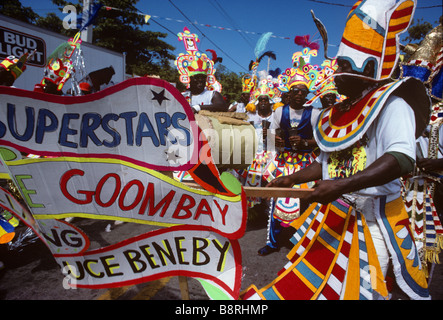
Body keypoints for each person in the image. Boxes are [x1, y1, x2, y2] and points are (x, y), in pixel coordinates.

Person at [266, 0, 431, 299]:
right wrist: (293, 179)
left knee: (365, 291)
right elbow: (327, 163)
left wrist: (341, 185)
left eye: (341, 66)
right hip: (336, 211)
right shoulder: (341, 111)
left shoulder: (394, 104)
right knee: (318, 286)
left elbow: (401, 159)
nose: (334, 73)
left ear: (367, 66)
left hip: (375, 218)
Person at [257, 66, 318, 256]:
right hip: (283, 161)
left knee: (305, 203)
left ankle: (301, 243)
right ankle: (273, 242)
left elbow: (323, 141)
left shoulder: (315, 113)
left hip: (305, 164)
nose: (299, 94)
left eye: (303, 91)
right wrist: (274, 139)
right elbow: (270, 140)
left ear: (307, 94)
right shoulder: (278, 112)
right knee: (277, 201)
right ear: (289, 93)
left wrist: (305, 141)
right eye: (295, 90)